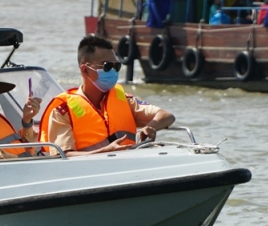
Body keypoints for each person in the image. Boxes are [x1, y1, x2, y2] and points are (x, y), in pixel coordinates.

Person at [39, 35, 175, 156]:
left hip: (128, 168)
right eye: (107, 66)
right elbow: (63, 156)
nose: (114, 72)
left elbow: (167, 116)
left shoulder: (124, 100)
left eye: (117, 66)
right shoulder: (63, 111)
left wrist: (150, 126)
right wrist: (105, 152)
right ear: (85, 69)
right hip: (88, 175)